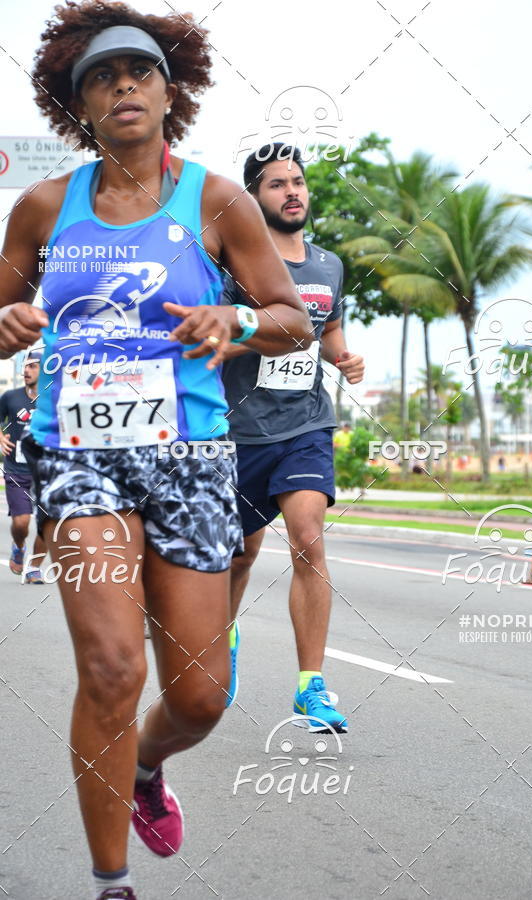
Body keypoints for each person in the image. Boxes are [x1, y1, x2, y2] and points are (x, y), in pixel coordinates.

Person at [0, 6, 312, 900]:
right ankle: (112, 883)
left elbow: (291, 317)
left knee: (201, 695)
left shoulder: (217, 201)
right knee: (110, 667)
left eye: (140, 72)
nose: (124, 86)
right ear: (79, 106)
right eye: (103, 77)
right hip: (78, 456)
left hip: (192, 457)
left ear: (170, 92)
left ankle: (144, 765)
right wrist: (8, 321)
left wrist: (239, 317)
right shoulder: (43, 207)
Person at [221, 144, 365, 733]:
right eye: (277, 184)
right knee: (240, 553)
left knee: (308, 540)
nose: (292, 192)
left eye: (298, 181)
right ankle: (222, 637)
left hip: (305, 425)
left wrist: (343, 359)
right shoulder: (234, 266)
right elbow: (216, 336)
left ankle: (311, 685)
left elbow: (328, 328)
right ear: (255, 198)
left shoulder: (328, 266)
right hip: (236, 432)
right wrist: (260, 335)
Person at [0, 350, 47, 583]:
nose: (26, 370)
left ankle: (34, 568)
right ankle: (19, 546)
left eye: (32, 366)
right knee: (22, 522)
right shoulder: (10, 397)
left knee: (49, 524)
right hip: (17, 469)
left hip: (48, 472)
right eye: (25, 366)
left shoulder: (54, 398)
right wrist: (1, 437)